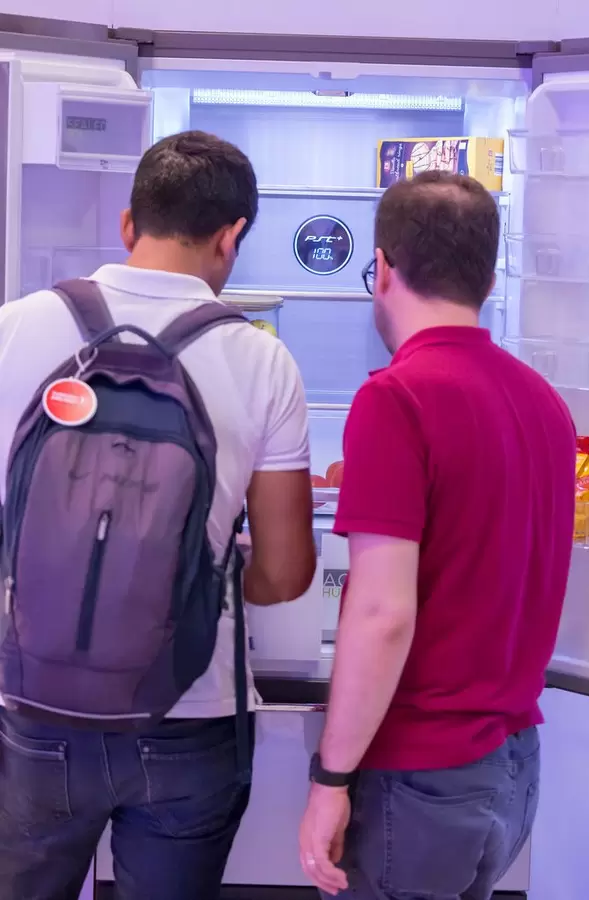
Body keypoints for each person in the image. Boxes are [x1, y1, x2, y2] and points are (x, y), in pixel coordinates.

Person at [0, 130, 316, 900]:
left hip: (34, 703)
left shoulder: (11, 327)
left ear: (127, 222)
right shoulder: (262, 360)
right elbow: (284, 572)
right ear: (232, 234)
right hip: (189, 712)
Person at [299, 171, 575, 900]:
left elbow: (383, 614)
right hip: (513, 767)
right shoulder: (542, 400)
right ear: (488, 275)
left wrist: (330, 777)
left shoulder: (396, 397)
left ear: (383, 268)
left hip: (422, 776)